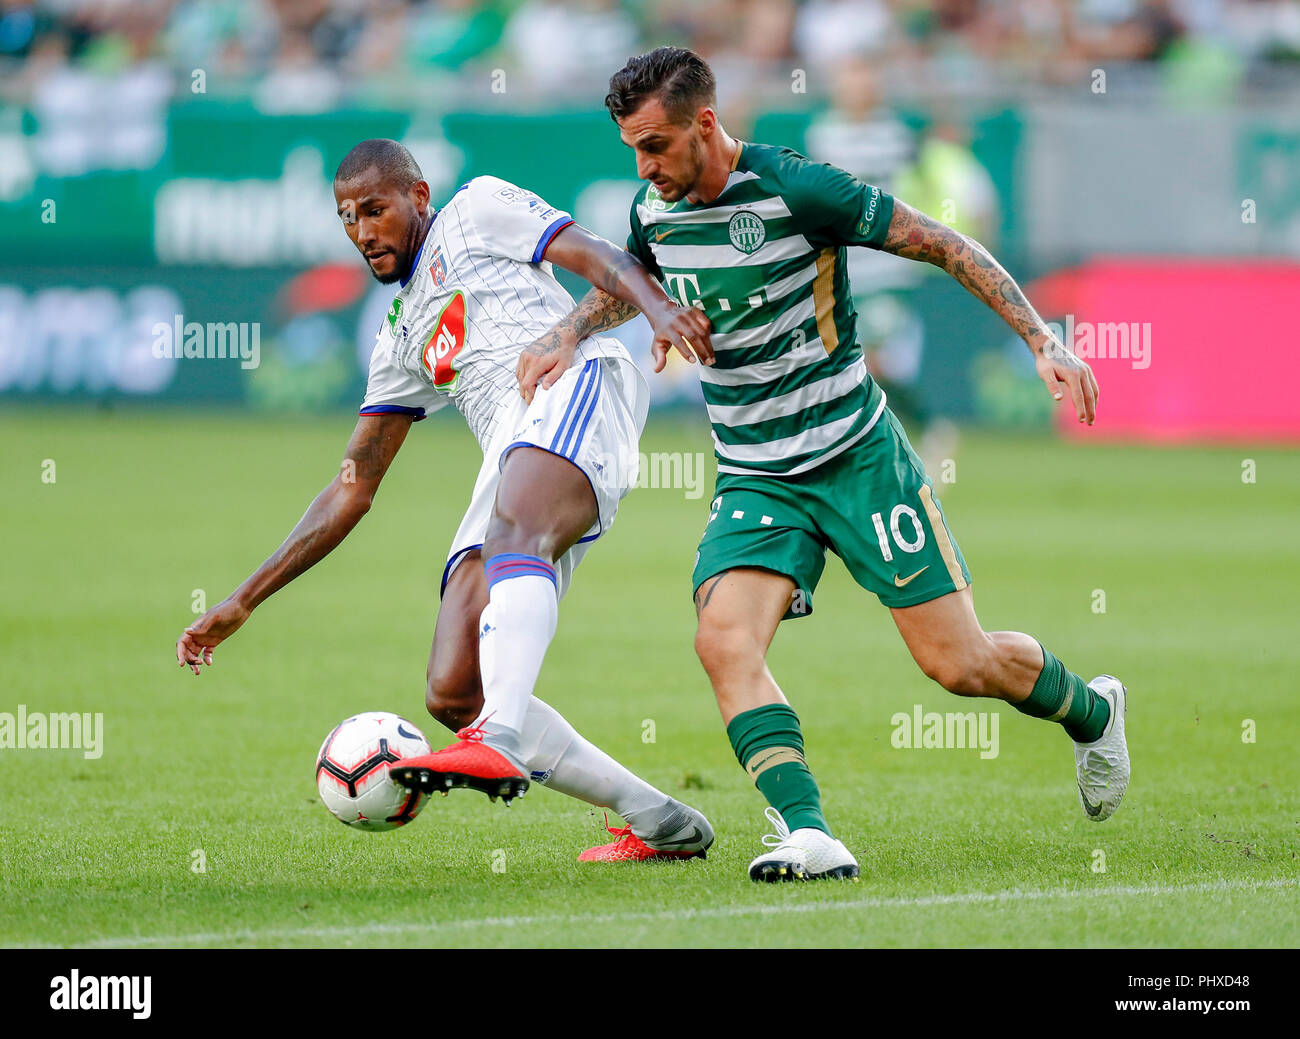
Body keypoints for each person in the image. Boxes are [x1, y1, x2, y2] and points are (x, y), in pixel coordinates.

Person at [533, 47, 1129, 883]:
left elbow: (943, 244)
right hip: (756, 476)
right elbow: (631, 276)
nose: (645, 166)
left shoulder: (799, 189)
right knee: (723, 638)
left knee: (958, 665)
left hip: (856, 457)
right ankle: (808, 831)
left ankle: (1095, 710)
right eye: (634, 147)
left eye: (658, 144)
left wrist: (1042, 339)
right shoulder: (655, 209)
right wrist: (567, 332)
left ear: (706, 123)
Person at [176, 138, 716, 864]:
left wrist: (657, 311)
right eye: (347, 218)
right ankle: (661, 820)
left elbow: (599, 257)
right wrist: (244, 598)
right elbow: (351, 488)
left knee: (513, 553)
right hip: (512, 450)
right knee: (454, 688)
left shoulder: (477, 210)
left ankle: (498, 741)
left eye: (375, 209)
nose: (363, 230)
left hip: (577, 383)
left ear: (418, 197)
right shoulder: (399, 337)